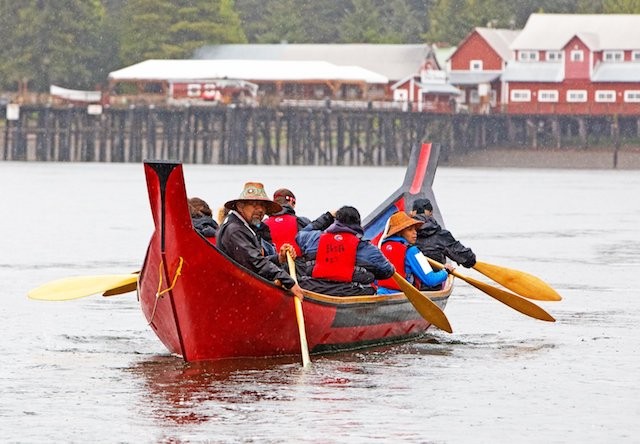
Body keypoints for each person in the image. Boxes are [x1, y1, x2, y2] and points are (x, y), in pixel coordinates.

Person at [216, 182, 305, 300]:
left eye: (263, 206)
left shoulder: (243, 226)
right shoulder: (235, 230)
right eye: (254, 205)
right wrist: (289, 282)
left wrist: (279, 258)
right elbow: (254, 262)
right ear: (240, 206)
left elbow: (250, 261)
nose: (260, 210)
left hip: (241, 291)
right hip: (235, 294)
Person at [295, 205, 394, 296]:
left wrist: (327, 216)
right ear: (358, 224)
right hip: (350, 294)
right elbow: (388, 271)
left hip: (314, 290)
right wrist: (371, 272)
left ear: (336, 222)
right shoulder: (367, 248)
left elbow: (300, 234)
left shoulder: (314, 238)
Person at [376, 211, 454, 295]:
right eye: (410, 230)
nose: (415, 232)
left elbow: (376, 282)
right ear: (400, 232)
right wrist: (446, 271)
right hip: (403, 295)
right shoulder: (413, 251)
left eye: (415, 229)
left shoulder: (381, 247)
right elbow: (431, 280)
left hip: (381, 293)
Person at [264, 188, 334, 256]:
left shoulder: (263, 224)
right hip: (297, 265)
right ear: (291, 202)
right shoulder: (300, 221)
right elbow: (315, 230)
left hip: (270, 264)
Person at [411, 198, 476, 268]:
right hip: (436, 276)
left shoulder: (404, 234)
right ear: (431, 213)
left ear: (412, 213)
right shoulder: (442, 236)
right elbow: (469, 260)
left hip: (411, 277)